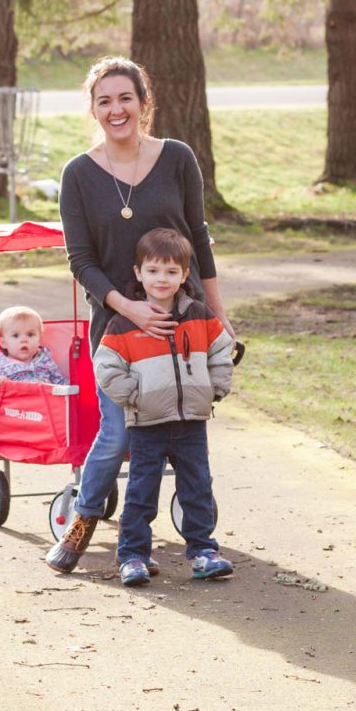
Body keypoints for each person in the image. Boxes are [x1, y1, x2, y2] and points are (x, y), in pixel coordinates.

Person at [45, 56, 231, 574]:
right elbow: (80, 260)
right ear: (93, 109)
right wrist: (131, 309)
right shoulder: (78, 174)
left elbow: (198, 238)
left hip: (183, 324)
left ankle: (200, 541)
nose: (116, 108)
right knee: (120, 433)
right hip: (119, 327)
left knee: (186, 432)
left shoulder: (177, 158)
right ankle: (81, 524)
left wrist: (218, 315)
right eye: (104, 100)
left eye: (126, 97)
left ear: (144, 104)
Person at [93, 228, 234, 585]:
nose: (162, 279)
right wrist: (135, 394)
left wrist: (215, 387)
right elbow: (106, 366)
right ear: (139, 273)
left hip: (191, 422)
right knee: (142, 491)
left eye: (171, 272)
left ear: (185, 276)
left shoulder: (199, 315)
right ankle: (133, 556)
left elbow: (221, 351)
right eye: (153, 271)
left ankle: (204, 551)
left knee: (198, 487)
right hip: (147, 423)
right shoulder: (126, 322)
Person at [0, 305, 69, 385]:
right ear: (3, 343)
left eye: (30, 335)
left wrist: (68, 387)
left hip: (44, 398)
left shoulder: (45, 359)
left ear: (39, 340)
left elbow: (58, 380)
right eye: (16, 336)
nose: (24, 340)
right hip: (14, 399)